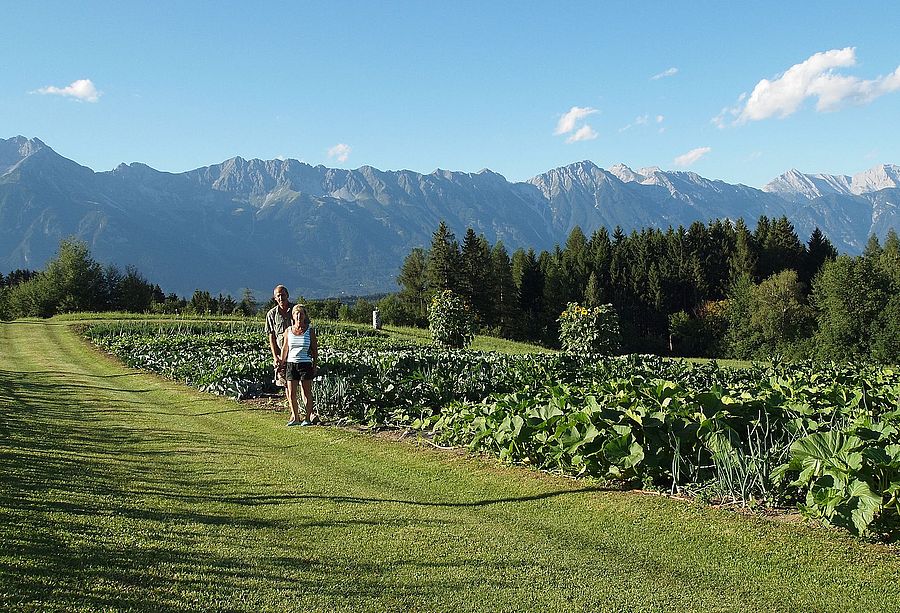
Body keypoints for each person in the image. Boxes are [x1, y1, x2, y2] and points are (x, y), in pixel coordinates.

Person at [278, 303, 319, 426]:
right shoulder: (288, 331)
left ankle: (307, 418)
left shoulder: (309, 331)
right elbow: (285, 349)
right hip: (291, 364)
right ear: (293, 316)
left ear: (305, 316)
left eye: (301, 313)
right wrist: (281, 363)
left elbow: (315, 351)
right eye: (296, 313)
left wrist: (315, 365)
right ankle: (295, 417)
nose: (299, 316)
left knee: (307, 393)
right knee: (291, 393)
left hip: (305, 364)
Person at [265, 285, 293, 406]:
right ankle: (294, 410)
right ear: (275, 298)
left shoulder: (296, 310)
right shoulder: (271, 314)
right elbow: (271, 336)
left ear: (287, 295)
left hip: (296, 353)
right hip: (282, 354)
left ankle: (307, 411)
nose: (281, 297)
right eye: (278, 296)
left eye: (283, 295)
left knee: (301, 382)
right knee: (286, 383)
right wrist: (275, 356)